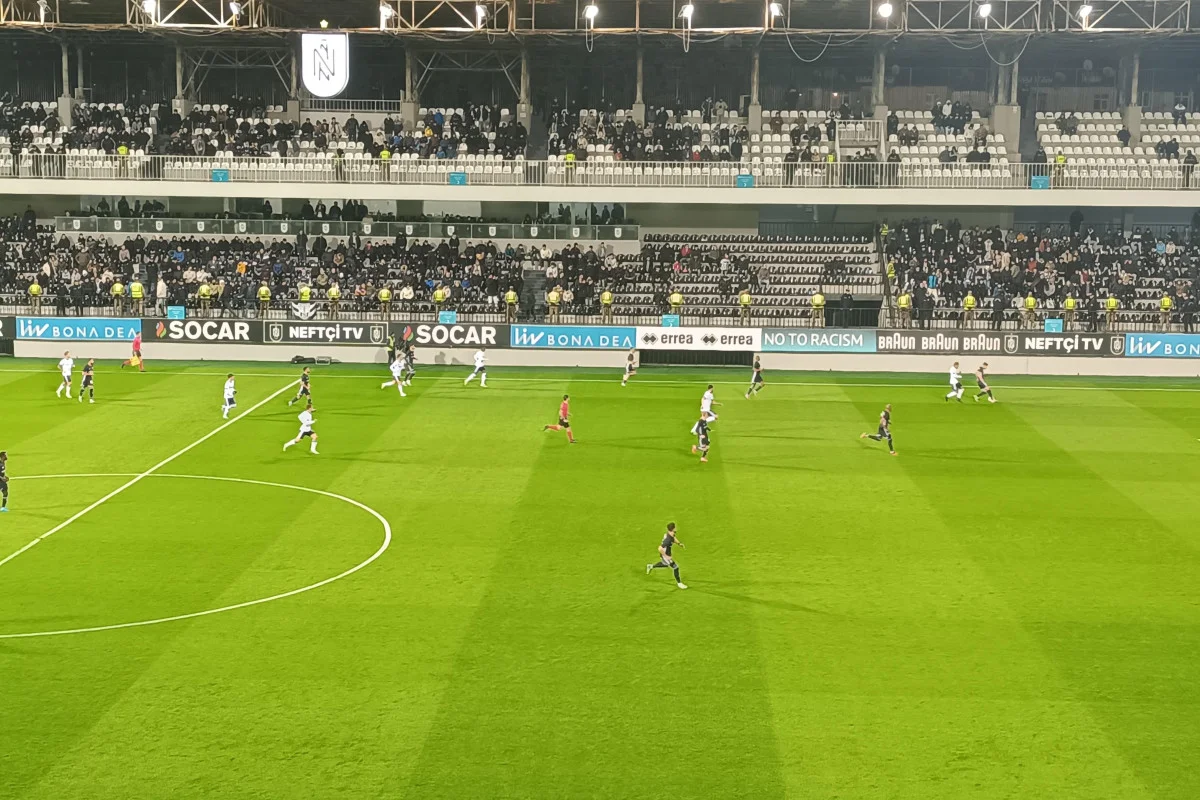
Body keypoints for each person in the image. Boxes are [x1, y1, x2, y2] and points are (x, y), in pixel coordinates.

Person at [646, 522, 687, 589]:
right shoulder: (667, 540)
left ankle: (650, 566)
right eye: (675, 527)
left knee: (664, 564)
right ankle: (679, 583)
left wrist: (679, 543)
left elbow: (673, 538)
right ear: (673, 529)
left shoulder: (670, 534)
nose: (676, 528)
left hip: (666, 554)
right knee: (676, 567)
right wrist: (666, 556)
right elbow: (660, 548)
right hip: (665, 555)